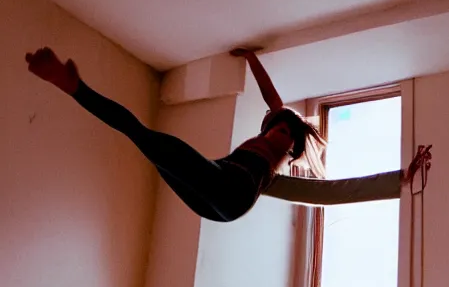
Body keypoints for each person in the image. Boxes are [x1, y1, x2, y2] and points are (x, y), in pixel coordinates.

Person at [25, 46, 328, 222]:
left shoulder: (278, 162)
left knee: (143, 137)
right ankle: (71, 85)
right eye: (279, 127)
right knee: (145, 141)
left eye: (286, 133)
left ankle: (73, 86)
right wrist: (249, 56)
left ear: (291, 145)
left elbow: (313, 184)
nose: (279, 133)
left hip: (232, 193)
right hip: (217, 187)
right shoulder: (272, 125)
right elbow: (271, 96)